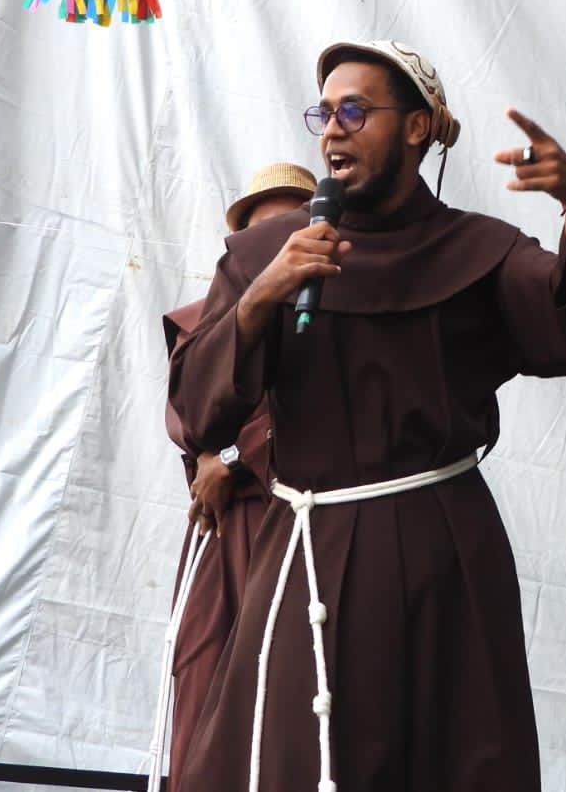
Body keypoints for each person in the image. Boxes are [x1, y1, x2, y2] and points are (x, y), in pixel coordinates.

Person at [169, 38, 566, 792]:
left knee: (448, 755)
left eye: (355, 110)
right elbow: (196, 411)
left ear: (417, 128)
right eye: (324, 112)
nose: (332, 129)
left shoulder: (478, 248)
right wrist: (259, 300)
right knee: (290, 755)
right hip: (304, 544)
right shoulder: (266, 253)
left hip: (442, 551)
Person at [160, 161, 318, 782]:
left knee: (285, 683)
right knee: (201, 669)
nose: (277, 236)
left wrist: (229, 457)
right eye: (262, 226)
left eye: (291, 222)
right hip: (223, 530)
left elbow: (318, 417)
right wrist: (207, 456)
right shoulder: (208, 319)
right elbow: (186, 413)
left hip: (300, 524)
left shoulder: (331, 324)